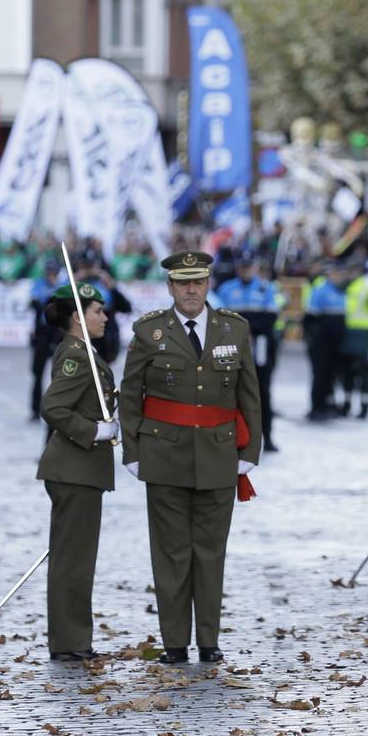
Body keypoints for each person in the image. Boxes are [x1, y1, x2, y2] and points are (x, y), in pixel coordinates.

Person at [119, 250, 262, 665]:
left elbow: (249, 394)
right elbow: (131, 396)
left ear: (208, 284)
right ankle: (175, 642)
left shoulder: (234, 329)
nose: (191, 290)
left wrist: (249, 451)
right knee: (171, 553)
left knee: (211, 552)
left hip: (220, 455)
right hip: (163, 455)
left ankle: (209, 641)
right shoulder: (150, 332)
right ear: (170, 287)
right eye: (183, 283)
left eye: (197, 281)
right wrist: (133, 451)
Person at [37, 282, 119, 661]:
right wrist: (95, 431)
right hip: (75, 469)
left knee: (76, 558)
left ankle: (73, 639)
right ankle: (69, 643)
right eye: (97, 311)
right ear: (76, 317)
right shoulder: (75, 354)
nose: (104, 317)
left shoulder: (84, 351)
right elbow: (53, 407)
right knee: (73, 560)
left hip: (81, 470)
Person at [216, 259, 284, 452]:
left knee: (262, 391)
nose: (245, 271)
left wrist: (245, 326)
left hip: (260, 347)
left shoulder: (266, 288)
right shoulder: (227, 289)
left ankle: (267, 436)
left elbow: (270, 317)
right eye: (242, 267)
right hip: (231, 346)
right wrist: (245, 327)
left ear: (255, 268)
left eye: (249, 267)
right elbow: (219, 317)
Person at [304, 260, 347, 421]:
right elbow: (310, 318)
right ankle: (316, 407)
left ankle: (327, 406)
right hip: (321, 344)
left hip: (335, 344)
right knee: (320, 375)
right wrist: (315, 339)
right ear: (329, 275)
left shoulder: (341, 292)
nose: (339, 277)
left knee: (331, 376)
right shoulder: (320, 291)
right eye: (336, 274)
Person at [340, 261, 368, 418]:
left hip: (362, 335)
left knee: (363, 374)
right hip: (349, 335)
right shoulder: (346, 287)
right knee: (349, 374)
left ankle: (363, 407)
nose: (350, 273)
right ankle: (348, 404)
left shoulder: (365, 288)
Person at [29, 260, 63, 420]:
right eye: (49, 273)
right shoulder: (39, 285)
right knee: (37, 372)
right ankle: (35, 409)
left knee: (59, 372)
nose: (51, 276)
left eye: (54, 273)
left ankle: (56, 407)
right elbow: (34, 303)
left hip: (57, 333)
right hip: (42, 332)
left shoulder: (62, 285)